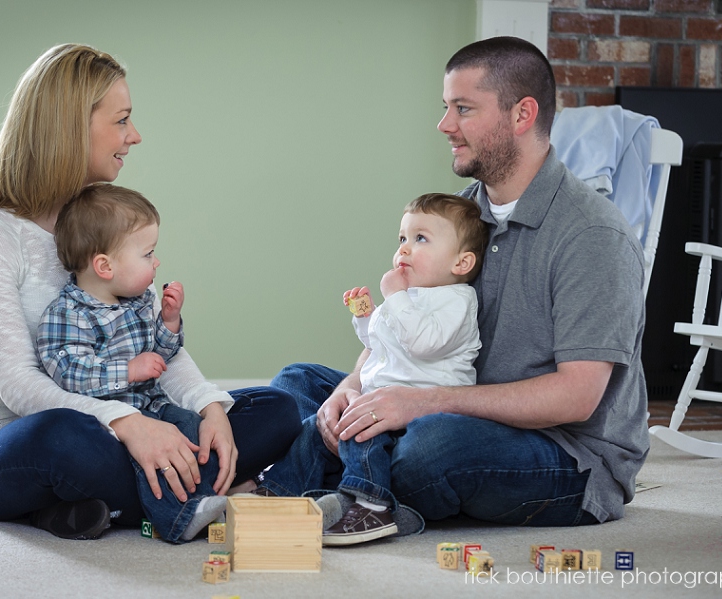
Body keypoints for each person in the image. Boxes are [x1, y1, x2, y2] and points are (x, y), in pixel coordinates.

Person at [269, 36, 649, 531]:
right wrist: (353, 385)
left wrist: (419, 404)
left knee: (432, 447)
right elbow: (403, 320)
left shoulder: (591, 234)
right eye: (446, 107)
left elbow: (575, 397)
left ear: (522, 114)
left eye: (464, 109)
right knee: (299, 384)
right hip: (449, 397)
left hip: (566, 453)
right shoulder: (459, 214)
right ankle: (349, 474)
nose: (445, 126)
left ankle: (332, 475)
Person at [0, 44, 300, 542]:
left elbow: (154, 347)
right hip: (12, 444)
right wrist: (128, 423)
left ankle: (99, 505)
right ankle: (211, 492)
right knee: (67, 436)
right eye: (122, 121)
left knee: (278, 409)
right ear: (71, 126)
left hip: (134, 418)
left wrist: (210, 409)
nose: (134, 136)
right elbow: (19, 387)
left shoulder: (107, 222)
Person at [37, 183, 294, 542]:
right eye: (147, 254)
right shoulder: (68, 314)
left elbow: (163, 355)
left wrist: (169, 322)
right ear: (104, 266)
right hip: (111, 423)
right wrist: (128, 371)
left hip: (156, 406)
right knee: (129, 454)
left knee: (191, 426)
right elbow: (68, 372)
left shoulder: (138, 300)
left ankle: (204, 497)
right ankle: (179, 520)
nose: (156, 262)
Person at [257, 193, 488, 545]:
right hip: (378, 395)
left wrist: (393, 298)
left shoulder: (456, 301)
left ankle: (371, 503)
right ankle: (276, 492)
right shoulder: (409, 296)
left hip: (421, 410)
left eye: (420, 239)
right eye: (402, 239)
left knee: (363, 433)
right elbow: (378, 344)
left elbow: (424, 342)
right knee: (314, 427)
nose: (405, 249)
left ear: (461, 262)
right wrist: (365, 317)